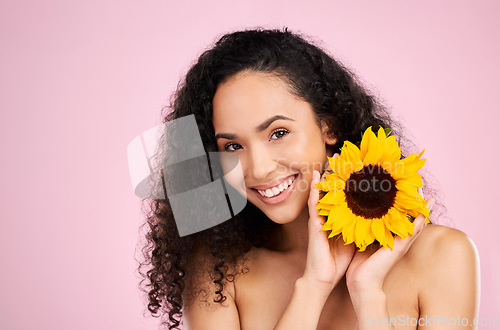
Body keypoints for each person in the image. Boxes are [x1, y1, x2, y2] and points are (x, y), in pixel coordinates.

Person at [139, 28, 480, 329]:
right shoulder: (217, 273)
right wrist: (313, 287)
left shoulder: (442, 257)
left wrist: (369, 295)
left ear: (328, 124)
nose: (257, 169)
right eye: (233, 145)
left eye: (279, 132)